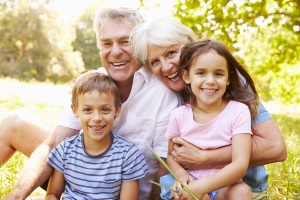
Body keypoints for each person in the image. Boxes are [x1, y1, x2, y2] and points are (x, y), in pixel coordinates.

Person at [4, 7, 180, 200]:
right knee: (13, 123)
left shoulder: (162, 92)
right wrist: (16, 196)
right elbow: (54, 143)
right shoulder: (92, 85)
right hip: (83, 181)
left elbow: (163, 170)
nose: (115, 52)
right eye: (106, 43)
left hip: (127, 192)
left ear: (140, 45)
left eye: (125, 41)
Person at [130, 17, 287, 198]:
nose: (166, 67)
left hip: (239, 186)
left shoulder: (220, 83)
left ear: (190, 45)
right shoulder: (168, 95)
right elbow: (169, 157)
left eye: (171, 53)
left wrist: (204, 158)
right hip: (191, 183)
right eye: (154, 61)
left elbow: (276, 147)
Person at [161, 39, 258, 200]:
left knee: (241, 192)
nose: (210, 80)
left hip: (223, 183)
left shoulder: (238, 111)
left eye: (218, 74)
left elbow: (240, 164)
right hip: (190, 180)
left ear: (228, 78)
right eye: (201, 73)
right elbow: (171, 156)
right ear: (186, 76)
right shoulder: (179, 115)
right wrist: (181, 175)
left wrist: (204, 186)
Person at [45, 70, 148, 200]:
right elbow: (52, 194)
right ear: (75, 110)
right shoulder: (64, 150)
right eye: (88, 110)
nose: (97, 118)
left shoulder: (128, 155)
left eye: (105, 109)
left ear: (117, 110)